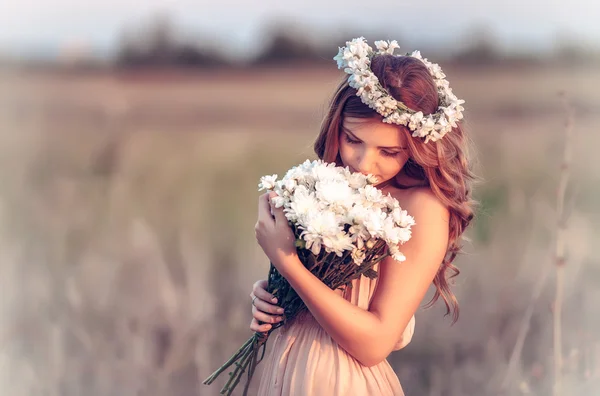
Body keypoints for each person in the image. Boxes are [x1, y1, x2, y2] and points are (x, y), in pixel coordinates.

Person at [250, 38, 476, 396]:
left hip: (340, 380)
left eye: (388, 151)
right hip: (281, 368)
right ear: (336, 125)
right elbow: (321, 292)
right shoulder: (325, 185)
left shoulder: (421, 208)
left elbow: (375, 343)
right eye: (353, 139)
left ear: (420, 146)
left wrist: (287, 261)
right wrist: (275, 295)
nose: (363, 163)